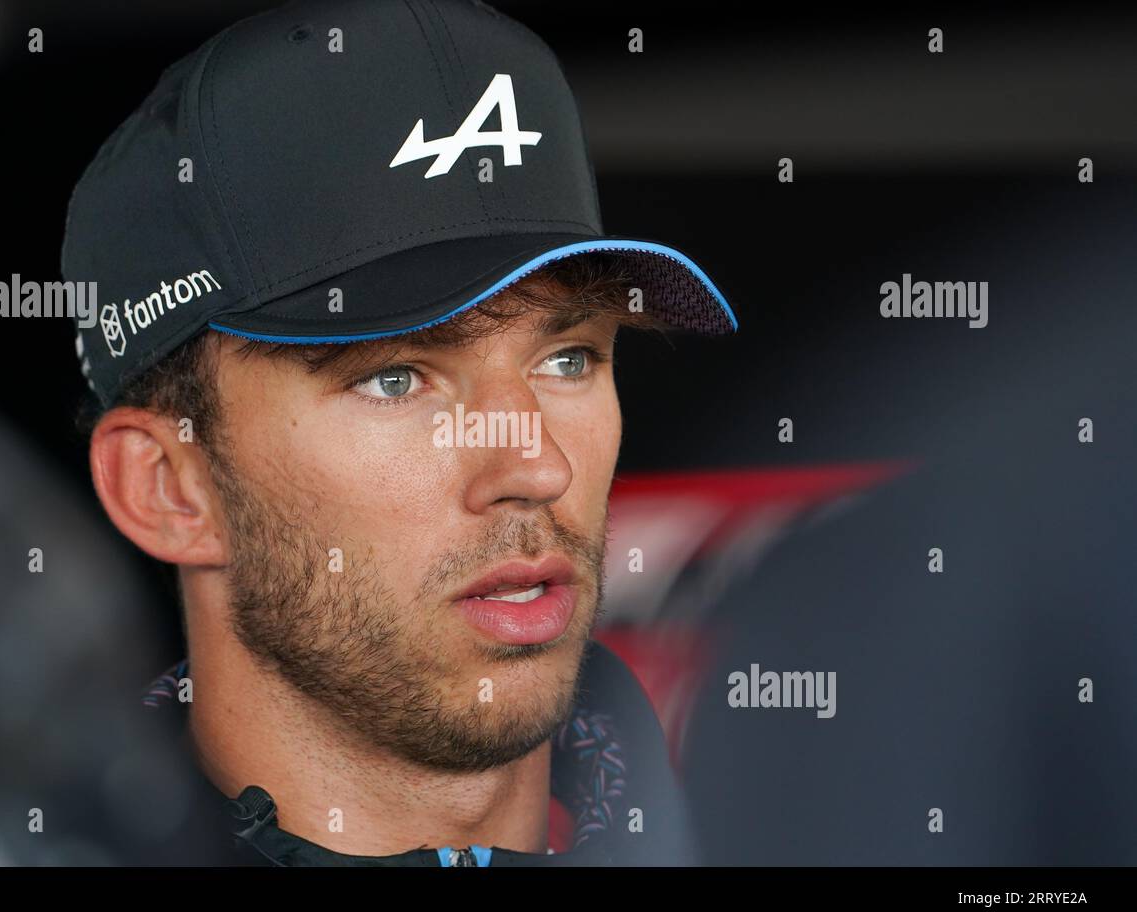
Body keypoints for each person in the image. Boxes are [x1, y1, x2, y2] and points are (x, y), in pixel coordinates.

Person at [61, 0, 736, 866]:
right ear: (166, 487)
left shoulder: (828, 822)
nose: (535, 464)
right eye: (395, 379)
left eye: (567, 359)